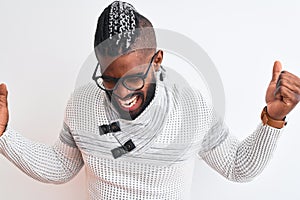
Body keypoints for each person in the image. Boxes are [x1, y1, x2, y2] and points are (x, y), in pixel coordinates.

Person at [0, 1, 300, 199]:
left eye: (132, 79)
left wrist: (272, 120)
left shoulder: (190, 107)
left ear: (157, 60)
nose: (121, 93)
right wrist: (3, 135)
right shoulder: (82, 104)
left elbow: (238, 167)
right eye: (109, 79)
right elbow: (61, 167)